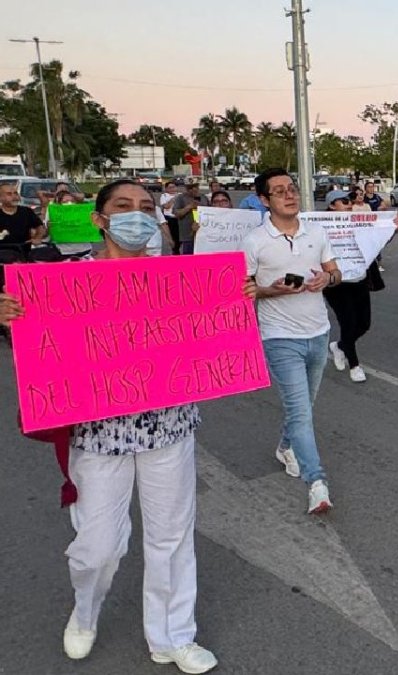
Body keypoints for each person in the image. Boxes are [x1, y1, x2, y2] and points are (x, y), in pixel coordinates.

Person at [0, 179, 248, 673]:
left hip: (169, 430)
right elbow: (39, 341)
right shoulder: (60, 281)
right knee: (96, 547)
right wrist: (10, 316)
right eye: (123, 206)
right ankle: (85, 611)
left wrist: (233, 298)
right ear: (99, 218)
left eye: (146, 207)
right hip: (97, 436)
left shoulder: (182, 280)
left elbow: (211, 334)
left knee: (172, 537)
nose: (136, 215)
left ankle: (173, 635)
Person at [243, 168, 342, 514]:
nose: (290, 195)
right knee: (301, 412)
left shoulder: (316, 231)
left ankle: (286, 447)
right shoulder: (255, 241)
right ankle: (317, 483)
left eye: (293, 188)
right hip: (280, 337)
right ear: (264, 200)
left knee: (304, 407)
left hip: (318, 333)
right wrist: (273, 290)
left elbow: (336, 271)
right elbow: (245, 290)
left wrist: (325, 279)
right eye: (280, 191)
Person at [322, 190, 381, 383]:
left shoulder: (358, 223)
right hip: (336, 283)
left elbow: (376, 242)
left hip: (359, 280)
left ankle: (339, 346)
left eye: (350, 201)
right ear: (332, 206)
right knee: (348, 323)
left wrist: (391, 228)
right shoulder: (319, 227)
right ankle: (354, 365)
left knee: (364, 324)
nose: (349, 204)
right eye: (344, 201)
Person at [171, 182, 204, 254]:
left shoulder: (204, 197)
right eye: (190, 188)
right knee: (189, 258)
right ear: (186, 188)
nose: (193, 189)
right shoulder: (180, 198)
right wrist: (189, 207)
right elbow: (176, 214)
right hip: (188, 236)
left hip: (203, 235)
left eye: (195, 187)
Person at [160, 181, 181, 254]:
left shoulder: (180, 195)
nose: (172, 189)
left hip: (179, 218)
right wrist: (173, 199)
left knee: (180, 236)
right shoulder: (164, 196)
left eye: (174, 187)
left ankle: (176, 249)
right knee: (173, 236)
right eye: (170, 187)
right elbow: (166, 206)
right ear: (166, 189)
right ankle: (175, 251)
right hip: (170, 218)